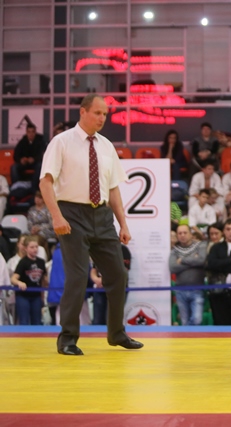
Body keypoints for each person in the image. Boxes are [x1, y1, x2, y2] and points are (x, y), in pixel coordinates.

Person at [39, 93, 142, 356]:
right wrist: (56, 216)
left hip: (102, 215)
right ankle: (67, 338)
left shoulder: (106, 146)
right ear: (83, 112)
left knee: (118, 274)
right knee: (77, 276)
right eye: (97, 112)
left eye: (105, 114)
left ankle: (117, 333)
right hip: (71, 214)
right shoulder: (61, 142)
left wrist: (123, 224)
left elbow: (113, 188)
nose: (102, 118)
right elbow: (45, 182)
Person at [170, 224, 207, 326]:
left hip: (197, 289)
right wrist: (193, 261)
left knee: (197, 319)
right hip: (180, 290)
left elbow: (201, 260)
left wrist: (182, 260)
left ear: (191, 234)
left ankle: (192, 333)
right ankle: (189, 335)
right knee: (184, 321)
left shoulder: (200, 246)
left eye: (185, 233)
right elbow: (172, 267)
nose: (182, 235)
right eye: (180, 233)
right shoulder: (174, 250)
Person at [11, 236, 48, 325]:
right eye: (32, 247)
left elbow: (44, 279)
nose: (35, 249)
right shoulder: (23, 262)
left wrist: (43, 296)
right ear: (26, 248)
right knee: (24, 321)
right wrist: (19, 282)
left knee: (37, 321)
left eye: (36, 247)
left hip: (36, 296)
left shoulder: (41, 262)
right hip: (23, 295)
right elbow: (13, 278)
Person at [12, 123, 47, 188]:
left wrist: (34, 159)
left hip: (36, 163)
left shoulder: (40, 141)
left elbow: (43, 154)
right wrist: (21, 160)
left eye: (32, 132)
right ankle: (16, 188)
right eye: (29, 132)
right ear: (26, 132)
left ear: (35, 132)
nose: (31, 134)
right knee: (14, 167)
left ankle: (34, 188)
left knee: (40, 166)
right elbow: (16, 154)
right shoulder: (23, 141)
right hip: (25, 163)